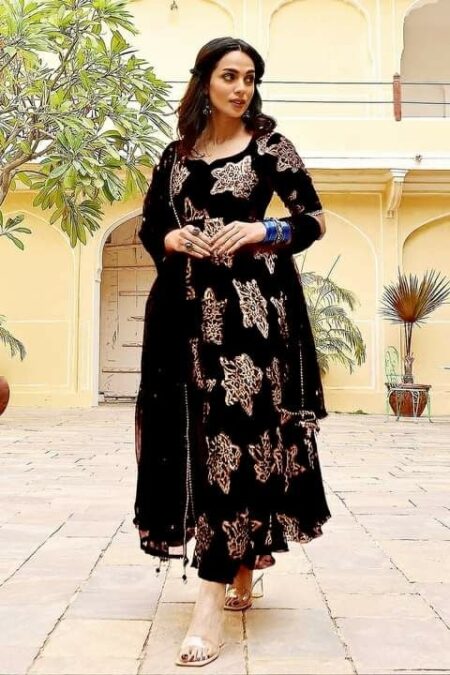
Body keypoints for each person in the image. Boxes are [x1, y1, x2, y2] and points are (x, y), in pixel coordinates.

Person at [134, 36, 331, 667]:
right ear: (205, 81)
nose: (241, 88)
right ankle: (239, 564)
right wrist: (174, 240)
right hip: (181, 317)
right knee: (195, 442)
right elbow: (150, 225)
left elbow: (313, 220)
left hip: (249, 321)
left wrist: (260, 228)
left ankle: (208, 602)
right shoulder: (175, 155)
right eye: (229, 76)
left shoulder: (270, 147)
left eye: (249, 78)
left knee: (236, 440)